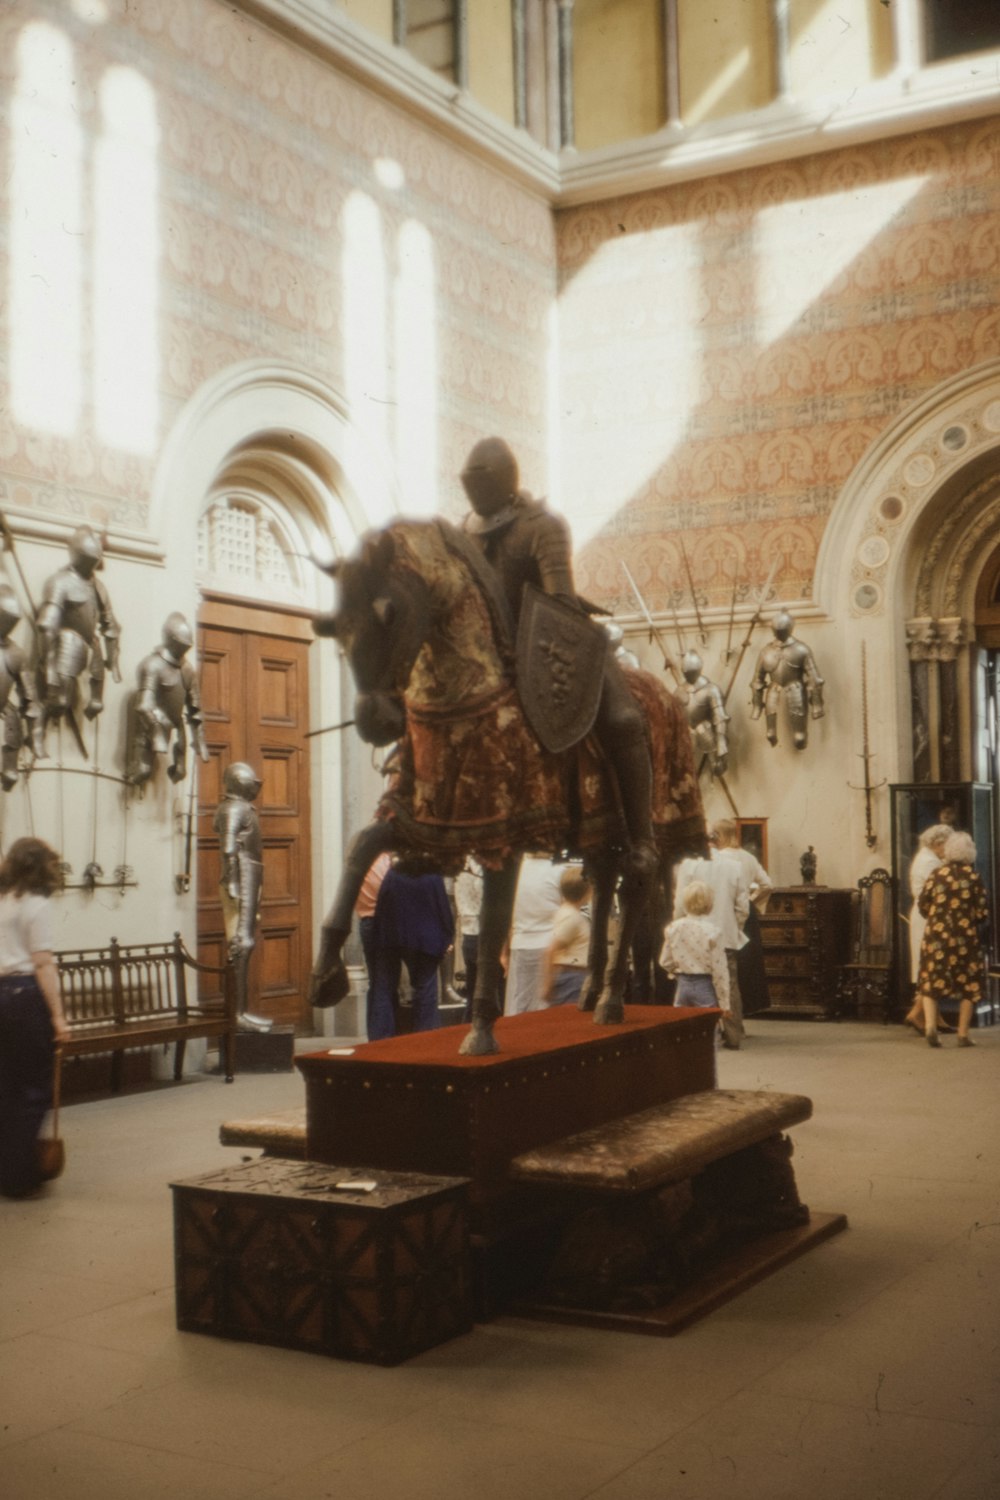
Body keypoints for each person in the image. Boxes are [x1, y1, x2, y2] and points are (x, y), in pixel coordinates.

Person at [460, 437, 656, 876]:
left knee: (624, 717)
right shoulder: (464, 532)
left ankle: (642, 839)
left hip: (547, 643)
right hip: (488, 656)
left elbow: (562, 606)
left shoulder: (541, 526)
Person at [0, 838, 69, 1198]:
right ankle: (19, 1175)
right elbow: (42, 962)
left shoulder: (2, 901)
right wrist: (58, 1018)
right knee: (32, 1089)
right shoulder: (37, 905)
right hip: (24, 996)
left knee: (6, 1086)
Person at [914, 830, 989, 1048]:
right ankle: (963, 1034)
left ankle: (930, 1027)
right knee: (969, 983)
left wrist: (938, 919)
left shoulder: (936, 875)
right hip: (964, 939)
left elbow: (923, 905)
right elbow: (982, 912)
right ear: (969, 853)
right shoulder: (973, 877)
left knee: (931, 980)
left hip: (936, 936)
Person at [671, 843, 749, 1049]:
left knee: (690, 983)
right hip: (726, 931)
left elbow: (679, 902)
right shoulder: (734, 865)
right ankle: (733, 1035)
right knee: (729, 982)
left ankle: (691, 1037)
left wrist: (679, 929)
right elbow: (743, 906)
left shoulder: (687, 865)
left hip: (691, 932)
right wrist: (735, 927)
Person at [368, 859, 454, 1040]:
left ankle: (381, 1039)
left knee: (384, 987)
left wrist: (379, 936)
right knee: (426, 988)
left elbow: (382, 905)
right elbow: (443, 907)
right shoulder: (432, 875)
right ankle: (426, 1038)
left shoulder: (393, 874)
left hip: (394, 936)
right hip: (426, 938)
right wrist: (448, 936)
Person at [712, 818, 773, 1017]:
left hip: (724, 911)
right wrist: (752, 900)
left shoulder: (717, 858)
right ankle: (743, 1013)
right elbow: (767, 885)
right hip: (747, 913)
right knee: (746, 965)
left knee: (725, 967)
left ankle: (729, 1018)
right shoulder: (748, 857)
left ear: (718, 835)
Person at [659, 881, 731, 1029]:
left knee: (682, 1031)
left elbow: (665, 961)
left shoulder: (673, 928)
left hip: (683, 985)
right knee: (708, 1031)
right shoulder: (713, 932)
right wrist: (725, 1003)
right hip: (704, 984)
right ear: (709, 904)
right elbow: (720, 971)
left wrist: (676, 971)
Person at [750, 610, 824, 750]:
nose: (780, 633)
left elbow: (815, 680)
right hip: (774, 688)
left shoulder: (801, 649)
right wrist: (757, 706)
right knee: (770, 734)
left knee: (800, 738)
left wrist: (817, 706)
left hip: (795, 688)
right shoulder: (766, 651)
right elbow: (757, 681)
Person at [903, 824, 952, 1034]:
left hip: (926, 915)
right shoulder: (930, 861)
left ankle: (936, 1016)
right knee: (931, 966)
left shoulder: (927, 857)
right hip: (929, 917)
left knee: (931, 966)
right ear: (937, 843)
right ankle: (916, 1013)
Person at [504, 854, 565, 1015]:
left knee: (519, 1005)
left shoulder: (514, 872)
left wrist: (504, 950)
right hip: (551, 945)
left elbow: (505, 915)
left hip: (520, 943)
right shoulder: (558, 871)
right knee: (545, 1008)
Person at [541, 866, 592, 1007]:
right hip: (573, 978)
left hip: (573, 976)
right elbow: (551, 950)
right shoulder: (571, 917)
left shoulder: (568, 913)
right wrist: (547, 984)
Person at [354, 850, 392, 1027]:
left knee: (375, 980)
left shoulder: (362, 862)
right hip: (382, 921)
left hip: (365, 922)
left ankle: (374, 1030)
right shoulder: (384, 863)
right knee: (384, 980)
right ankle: (383, 1034)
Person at [454, 859, 483, 1020]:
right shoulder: (476, 867)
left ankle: (467, 1026)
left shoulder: (461, 866)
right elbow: (483, 892)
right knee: (485, 991)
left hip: (468, 932)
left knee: (473, 992)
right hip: (480, 931)